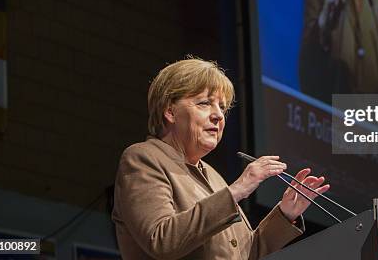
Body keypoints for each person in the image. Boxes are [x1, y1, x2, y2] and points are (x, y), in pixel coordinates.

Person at [112, 57, 329, 259]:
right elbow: (161, 240)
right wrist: (238, 189)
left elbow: (247, 254)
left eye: (222, 107)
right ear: (170, 111)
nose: (218, 115)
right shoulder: (143, 158)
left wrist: (285, 213)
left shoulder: (213, 177)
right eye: (204, 103)